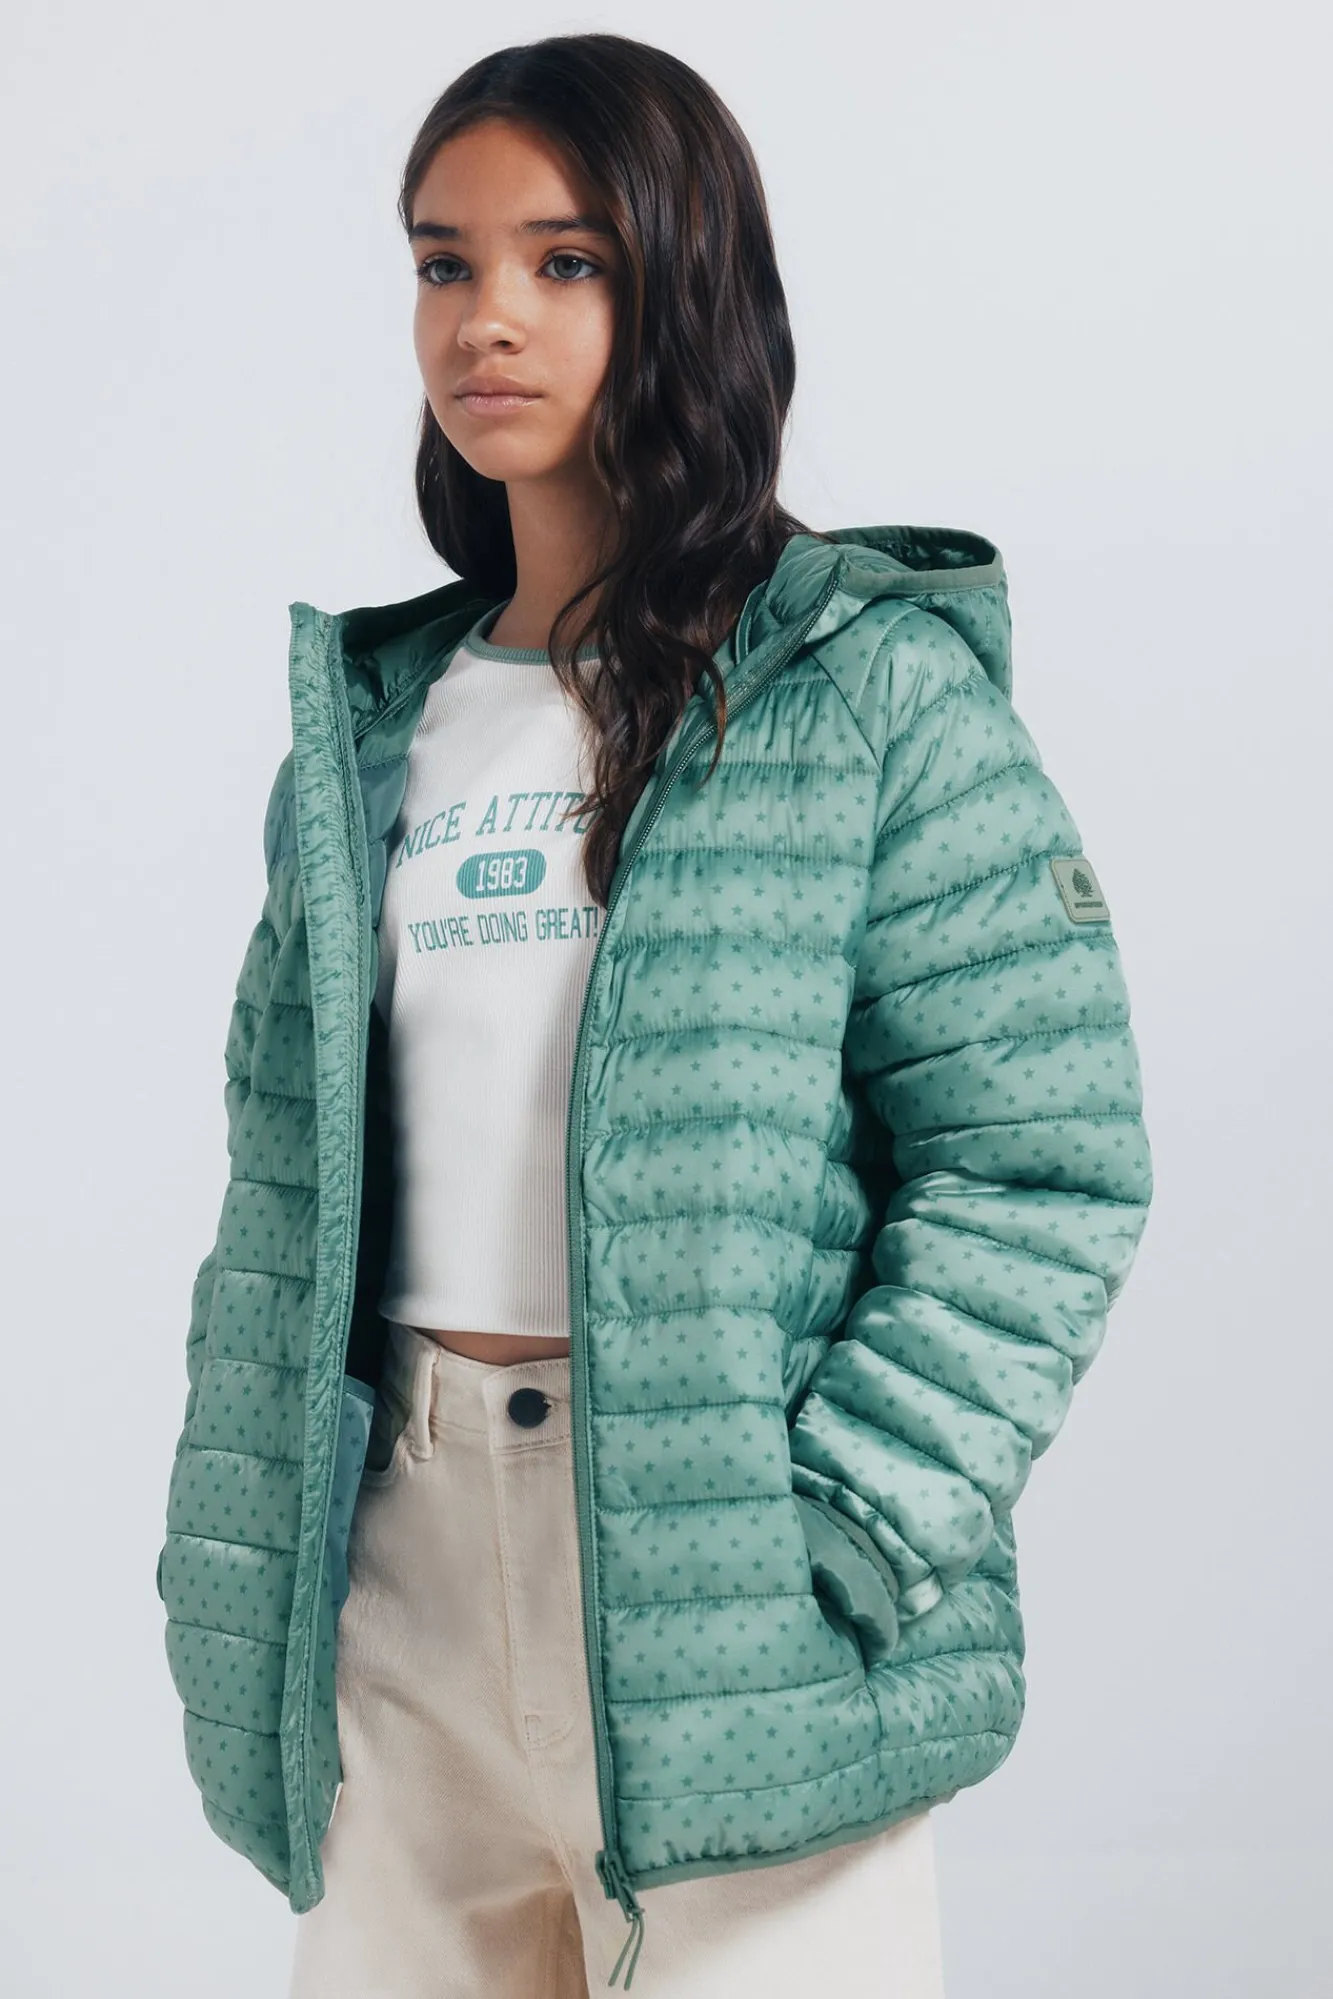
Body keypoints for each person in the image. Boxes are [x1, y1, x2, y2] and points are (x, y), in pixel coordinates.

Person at [155, 31, 1154, 1999]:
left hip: (738, 1611)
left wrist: (848, 1527)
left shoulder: (865, 697)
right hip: (396, 1596)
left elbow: (1044, 1161)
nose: (487, 317)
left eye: (567, 261)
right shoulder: (366, 735)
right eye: (444, 262)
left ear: (686, 284)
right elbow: (278, 1204)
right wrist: (251, 1566)